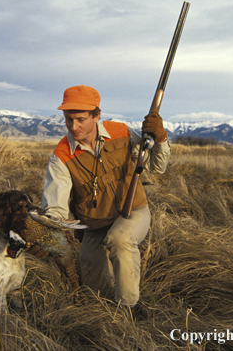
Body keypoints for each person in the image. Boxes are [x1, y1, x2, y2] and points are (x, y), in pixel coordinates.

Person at [38, 84, 170, 308]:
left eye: (80, 119)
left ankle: (129, 310)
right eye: (68, 120)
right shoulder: (61, 156)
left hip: (133, 211)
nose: (74, 126)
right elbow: (56, 207)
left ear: (97, 115)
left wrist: (160, 138)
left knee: (120, 240)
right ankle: (105, 318)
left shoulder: (122, 133)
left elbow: (157, 167)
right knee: (94, 293)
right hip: (94, 225)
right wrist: (49, 231)